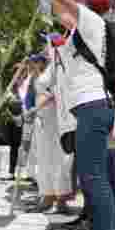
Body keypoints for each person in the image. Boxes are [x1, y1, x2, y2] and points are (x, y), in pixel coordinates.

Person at [25, 0, 115, 230]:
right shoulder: (75, 34)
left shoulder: (92, 23)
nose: (70, 0)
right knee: (90, 178)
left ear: (87, 5)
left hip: (94, 106)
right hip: (85, 110)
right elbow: (56, 5)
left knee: (95, 179)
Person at [31, 46, 74, 213]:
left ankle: (62, 198)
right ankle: (47, 195)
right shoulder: (49, 68)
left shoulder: (61, 67)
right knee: (43, 158)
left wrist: (34, 109)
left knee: (61, 159)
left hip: (57, 119)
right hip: (43, 119)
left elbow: (54, 94)